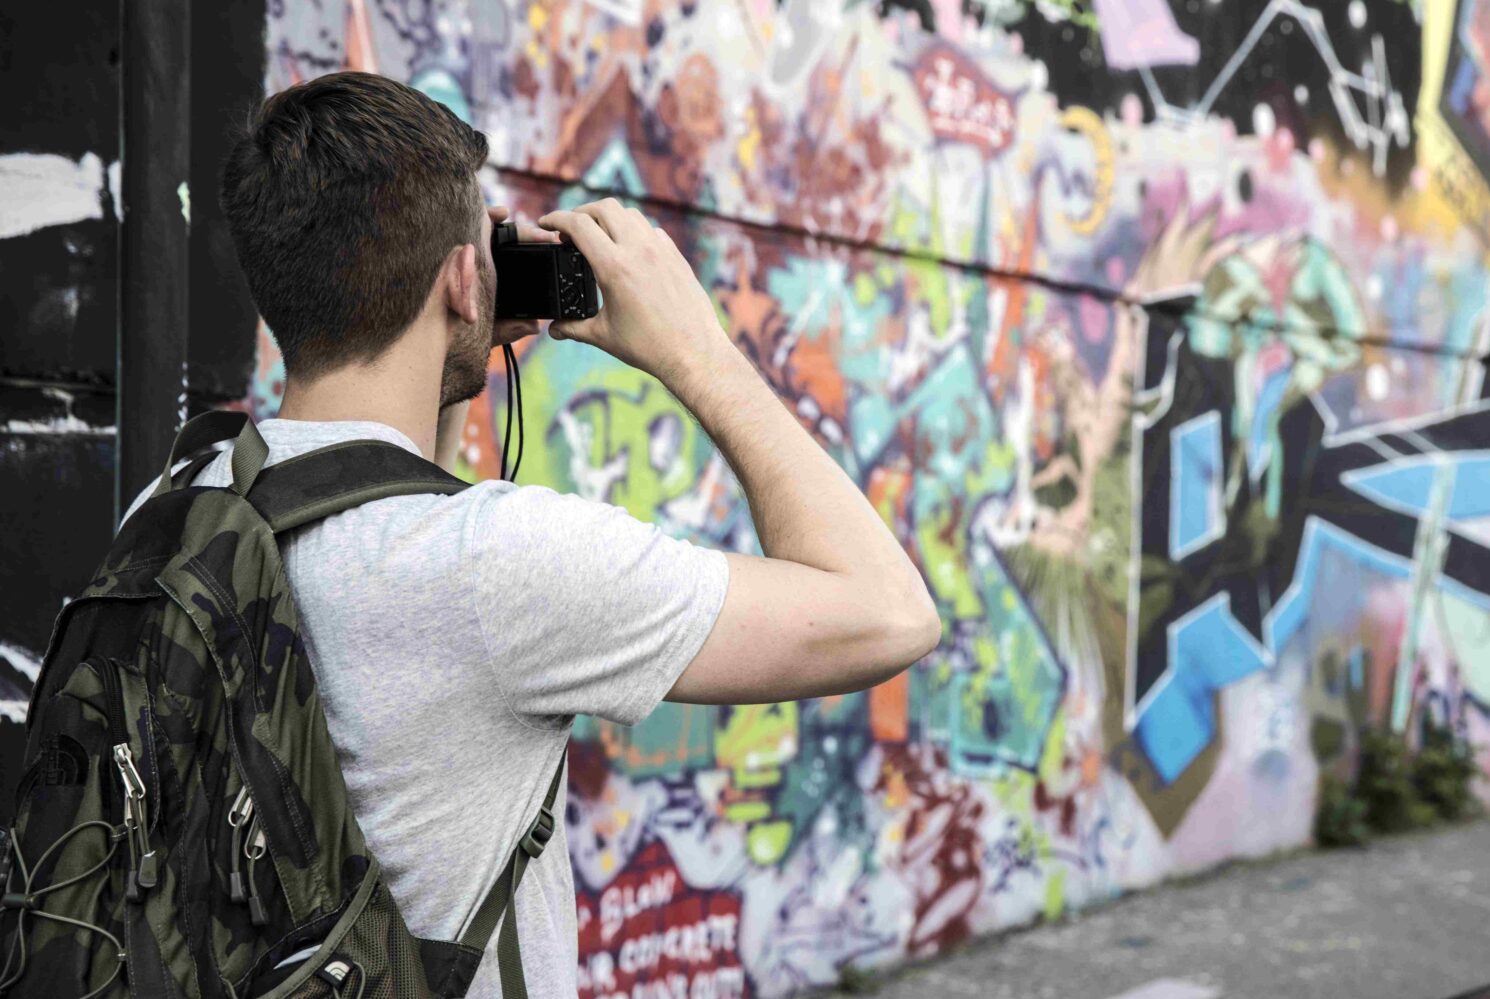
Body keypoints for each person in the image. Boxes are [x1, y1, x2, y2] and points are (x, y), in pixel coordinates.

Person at [119, 70, 940, 997]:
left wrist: (451, 337)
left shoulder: (179, 499)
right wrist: (699, 351)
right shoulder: (496, 564)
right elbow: (889, 612)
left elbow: (375, 490)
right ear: (464, 280)